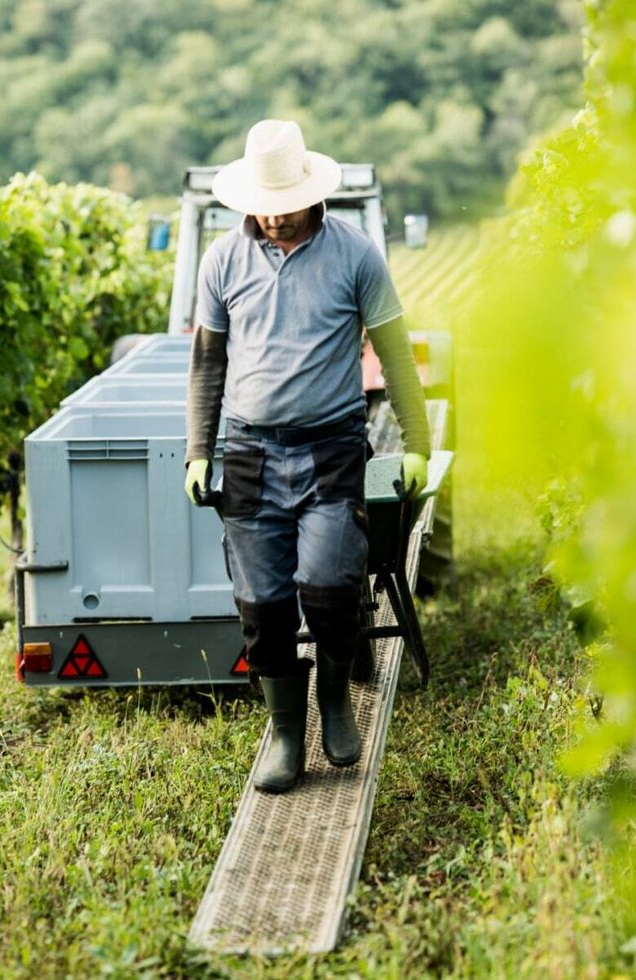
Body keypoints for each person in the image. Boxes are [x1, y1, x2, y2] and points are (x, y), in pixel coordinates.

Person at [184, 119, 430, 793]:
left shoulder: (355, 256)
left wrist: (419, 444)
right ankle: (287, 736)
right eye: (262, 205)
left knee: (329, 590)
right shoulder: (222, 263)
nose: (273, 216)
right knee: (262, 610)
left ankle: (333, 703)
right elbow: (206, 363)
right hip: (250, 455)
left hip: (330, 451)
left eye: (283, 203)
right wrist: (197, 452)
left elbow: (398, 354)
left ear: (311, 192)